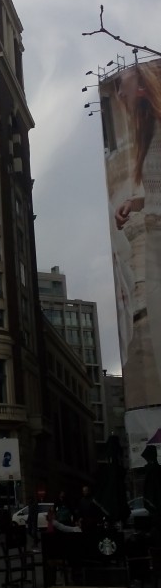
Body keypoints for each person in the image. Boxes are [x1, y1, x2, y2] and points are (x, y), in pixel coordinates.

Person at [114, 61, 161, 386]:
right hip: (154, 235)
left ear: (142, 88)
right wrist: (135, 203)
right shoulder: (146, 129)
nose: (118, 93)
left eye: (122, 85)